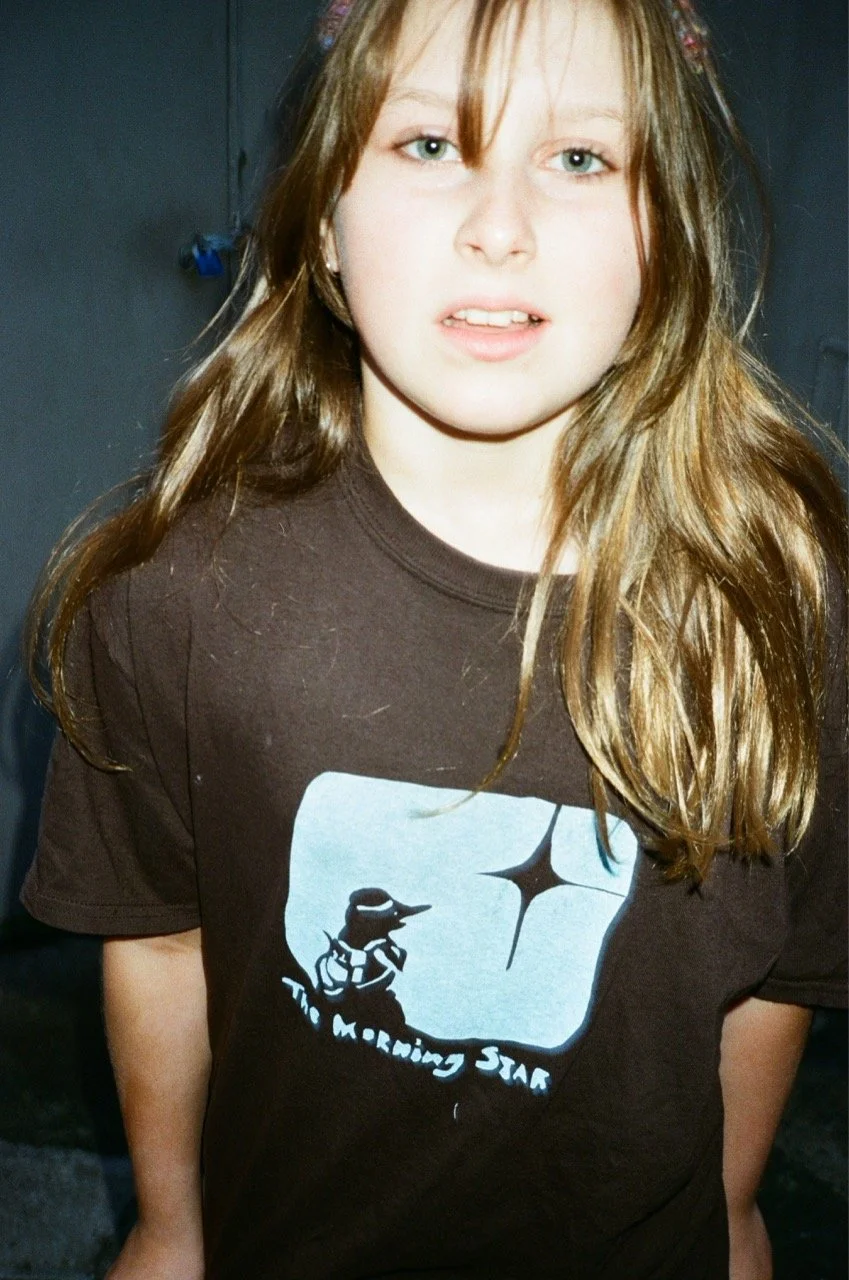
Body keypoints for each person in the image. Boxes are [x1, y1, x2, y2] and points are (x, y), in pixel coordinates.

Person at [21, 0, 847, 1277]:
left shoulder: (785, 610)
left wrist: (731, 1211)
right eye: (426, 145)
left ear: (666, 233)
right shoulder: (172, 595)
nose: (499, 227)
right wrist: (173, 1227)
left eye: (580, 159)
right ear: (325, 228)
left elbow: (783, 969)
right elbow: (164, 938)